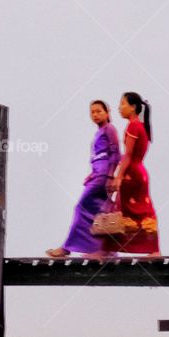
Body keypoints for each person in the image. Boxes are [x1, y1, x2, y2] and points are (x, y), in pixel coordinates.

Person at [46, 99, 120, 258]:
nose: (95, 115)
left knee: (81, 208)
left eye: (99, 111)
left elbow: (115, 154)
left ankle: (67, 247)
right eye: (92, 112)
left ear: (107, 112)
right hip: (98, 174)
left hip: (103, 176)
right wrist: (92, 174)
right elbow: (98, 157)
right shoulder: (99, 132)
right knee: (100, 212)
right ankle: (104, 249)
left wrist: (109, 176)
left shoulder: (110, 129)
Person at [103, 92, 159, 255]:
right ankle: (152, 249)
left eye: (123, 104)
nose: (119, 108)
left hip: (131, 174)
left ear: (133, 107)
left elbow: (128, 155)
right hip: (140, 173)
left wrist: (118, 176)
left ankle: (107, 249)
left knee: (124, 211)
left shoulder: (133, 126)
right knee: (141, 210)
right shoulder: (141, 126)